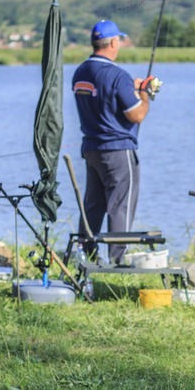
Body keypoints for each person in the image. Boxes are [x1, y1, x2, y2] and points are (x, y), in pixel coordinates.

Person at [71, 20, 158, 264]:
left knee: (93, 205)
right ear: (111, 43)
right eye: (118, 40)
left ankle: (85, 256)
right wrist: (145, 93)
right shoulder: (117, 75)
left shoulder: (80, 73)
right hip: (119, 150)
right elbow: (137, 114)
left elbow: (104, 97)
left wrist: (131, 88)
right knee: (121, 204)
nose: (119, 44)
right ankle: (117, 260)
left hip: (91, 148)